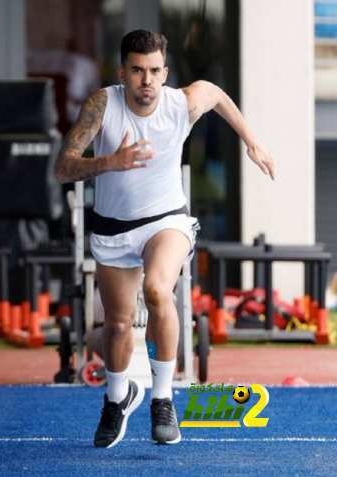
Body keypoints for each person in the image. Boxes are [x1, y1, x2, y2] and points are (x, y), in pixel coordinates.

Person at [54, 30, 275, 447]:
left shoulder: (180, 103)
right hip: (113, 227)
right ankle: (117, 399)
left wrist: (252, 140)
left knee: (158, 291)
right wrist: (110, 162)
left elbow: (216, 95)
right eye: (137, 70)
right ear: (123, 73)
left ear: (165, 72)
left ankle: (162, 399)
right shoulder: (103, 104)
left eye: (155, 70)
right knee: (117, 324)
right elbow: (63, 168)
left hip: (166, 220)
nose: (146, 80)